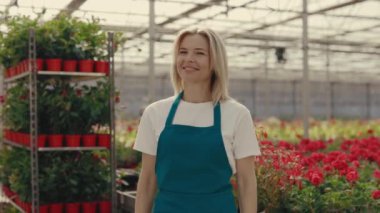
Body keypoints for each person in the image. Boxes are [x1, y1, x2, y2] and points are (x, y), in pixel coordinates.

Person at [133, 27, 261, 213]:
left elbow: (246, 181)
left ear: (215, 62)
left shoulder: (237, 114)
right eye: (183, 52)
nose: (188, 59)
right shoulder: (155, 113)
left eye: (199, 53)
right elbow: (147, 180)